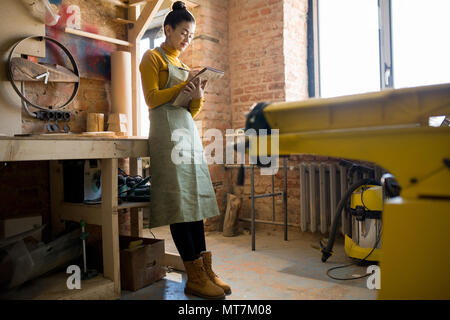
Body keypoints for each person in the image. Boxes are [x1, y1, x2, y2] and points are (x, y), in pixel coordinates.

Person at [139, 1, 231, 300]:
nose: (187, 38)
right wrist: (184, 86)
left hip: (186, 134)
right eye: (184, 32)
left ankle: (205, 271)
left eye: (191, 34)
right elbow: (152, 99)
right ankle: (194, 277)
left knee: (195, 204)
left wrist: (198, 94)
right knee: (181, 205)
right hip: (166, 136)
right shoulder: (152, 58)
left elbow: (190, 111)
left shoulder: (182, 65)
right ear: (168, 29)